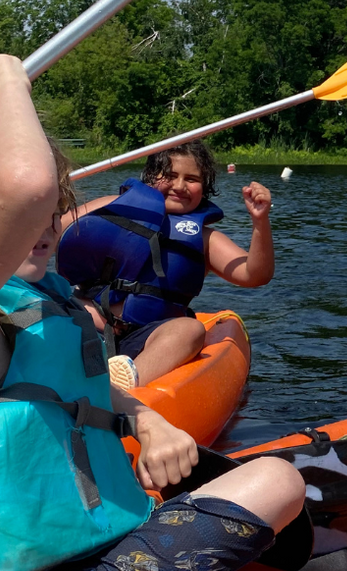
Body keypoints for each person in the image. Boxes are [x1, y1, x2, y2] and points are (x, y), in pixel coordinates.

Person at [0, 55, 304, 571]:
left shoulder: (30, 306)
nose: (42, 221)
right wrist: (8, 83)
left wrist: (149, 420)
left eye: (56, 205)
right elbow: (27, 188)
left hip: (83, 553)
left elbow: (72, 391)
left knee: (275, 482)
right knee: (279, 483)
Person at [57, 140, 273, 390]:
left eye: (192, 179)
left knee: (190, 330)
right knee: (53, 301)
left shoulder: (204, 239)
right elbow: (49, 234)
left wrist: (260, 222)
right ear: (150, 177)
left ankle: (122, 388)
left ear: (205, 187)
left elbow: (254, 274)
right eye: (170, 175)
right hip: (91, 322)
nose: (180, 186)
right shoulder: (113, 208)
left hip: (149, 339)